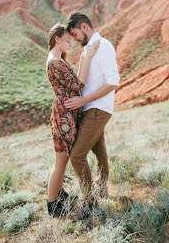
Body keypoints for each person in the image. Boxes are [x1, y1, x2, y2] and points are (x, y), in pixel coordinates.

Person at [65, 12, 120, 219]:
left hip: (97, 109)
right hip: (92, 109)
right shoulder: (89, 50)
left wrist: (83, 101)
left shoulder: (103, 46)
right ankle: (102, 189)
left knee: (77, 155)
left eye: (75, 34)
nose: (75, 38)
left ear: (84, 27)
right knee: (99, 152)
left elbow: (113, 82)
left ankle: (89, 203)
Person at [46, 23, 99, 218]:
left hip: (66, 114)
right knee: (60, 163)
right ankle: (53, 206)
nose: (70, 43)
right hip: (64, 116)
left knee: (64, 160)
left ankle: (58, 196)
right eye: (67, 40)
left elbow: (73, 84)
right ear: (57, 38)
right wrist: (87, 57)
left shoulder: (57, 59)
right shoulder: (55, 62)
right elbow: (79, 85)